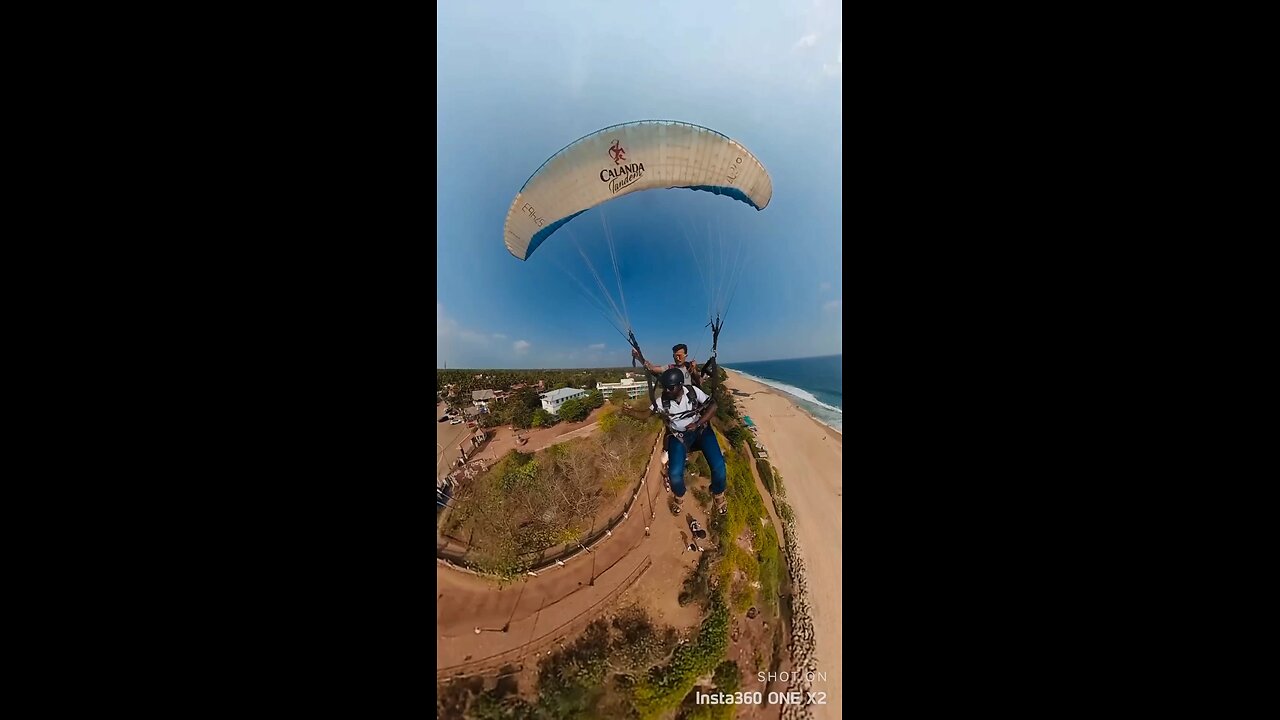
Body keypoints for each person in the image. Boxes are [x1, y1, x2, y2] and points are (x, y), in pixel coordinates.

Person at [652, 367, 728, 516]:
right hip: (678, 436)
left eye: (671, 388)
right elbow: (646, 413)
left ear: (680, 385)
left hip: (700, 431)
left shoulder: (692, 392)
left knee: (719, 466)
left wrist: (698, 423)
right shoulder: (663, 401)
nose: (667, 390)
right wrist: (631, 412)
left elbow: (713, 405)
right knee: (674, 474)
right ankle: (679, 496)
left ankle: (718, 493)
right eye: (666, 388)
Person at [634, 344, 702, 388]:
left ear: (685, 355)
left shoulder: (690, 367)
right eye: (675, 356)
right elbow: (652, 369)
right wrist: (639, 357)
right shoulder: (670, 368)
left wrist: (694, 369)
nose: (677, 359)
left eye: (680, 356)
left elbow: (699, 382)